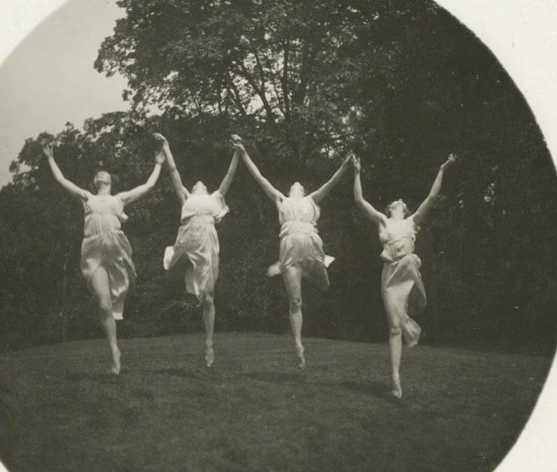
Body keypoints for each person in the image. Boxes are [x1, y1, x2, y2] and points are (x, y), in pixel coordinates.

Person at [41, 139, 164, 375]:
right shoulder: (86, 196)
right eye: (97, 174)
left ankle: (116, 345)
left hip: (115, 247)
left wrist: (158, 164)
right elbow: (62, 180)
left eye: (104, 173)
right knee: (104, 304)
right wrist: (50, 158)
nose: (100, 174)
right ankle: (115, 352)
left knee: (120, 292)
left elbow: (148, 186)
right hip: (93, 250)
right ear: (95, 182)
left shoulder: (119, 199)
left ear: (109, 181)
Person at [230, 135, 353, 369]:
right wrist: (243, 152)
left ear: (304, 191)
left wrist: (345, 165)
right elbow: (259, 178)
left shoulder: (311, 199)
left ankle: (309, 270)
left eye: (300, 186)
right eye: (293, 186)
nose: (296, 185)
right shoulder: (282, 200)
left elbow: (331, 183)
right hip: (289, 247)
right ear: (289, 191)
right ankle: (298, 346)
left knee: (325, 285)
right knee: (295, 302)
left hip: (311, 245)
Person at [352, 152, 456, 398]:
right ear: (390, 209)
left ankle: (410, 308)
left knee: (410, 267)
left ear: (404, 209)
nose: (398, 201)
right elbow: (359, 200)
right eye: (395, 202)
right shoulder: (382, 221)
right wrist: (356, 173)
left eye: (401, 202)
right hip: (390, 275)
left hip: (407, 270)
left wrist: (442, 169)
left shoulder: (412, 221)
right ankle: (395, 378)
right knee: (395, 328)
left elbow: (432, 197)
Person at [155, 134, 240, 368]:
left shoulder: (215, 198)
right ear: (191, 189)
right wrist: (166, 145)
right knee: (176, 268)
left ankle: (209, 343)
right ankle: (183, 274)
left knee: (209, 297)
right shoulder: (187, 197)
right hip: (188, 239)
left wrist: (237, 151)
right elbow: (173, 170)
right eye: (194, 184)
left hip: (207, 242)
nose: (199, 183)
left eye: (202, 184)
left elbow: (230, 174)